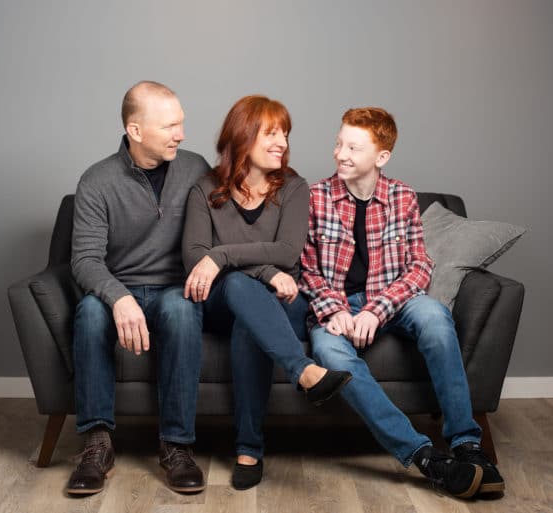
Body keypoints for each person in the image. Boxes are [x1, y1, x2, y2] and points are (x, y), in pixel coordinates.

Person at [299, 107, 504, 499]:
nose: (340, 153)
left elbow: (418, 266)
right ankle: (425, 456)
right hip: (337, 306)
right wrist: (335, 309)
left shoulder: (403, 197)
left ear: (381, 157)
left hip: (391, 301)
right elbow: (305, 268)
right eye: (339, 143)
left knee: (435, 316)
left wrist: (377, 310)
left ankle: (467, 444)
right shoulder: (316, 197)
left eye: (353, 147)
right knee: (330, 354)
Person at [182, 95, 352, 491]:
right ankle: (304, 371)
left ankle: (248, 450)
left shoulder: (293, 187)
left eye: (285, 134)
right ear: (242, 136)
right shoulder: (204, 188)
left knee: (251, 325)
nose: (282, 142)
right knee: (241, 285)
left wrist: (221, 254)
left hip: (281, 303)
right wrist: (260, 270)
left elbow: (288, 252)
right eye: (271, 133)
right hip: (221, 299)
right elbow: (194, 257)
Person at [68, 81, 210, 495]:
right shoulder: (97, 180)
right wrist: (119, 298)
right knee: (90, 313)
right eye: (169, 126)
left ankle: (176, 446)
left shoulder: (197, 168)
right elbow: (85, 260)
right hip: (119, 287)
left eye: (181, 123)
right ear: (135, 130)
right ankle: (96, 445)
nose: (180, 134)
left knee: (183, 311)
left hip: (173, 289)